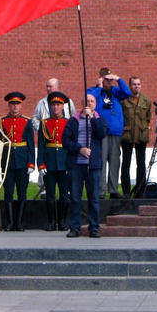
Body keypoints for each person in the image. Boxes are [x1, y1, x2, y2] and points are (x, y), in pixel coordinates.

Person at [62, 93, 108, 238]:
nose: (89, 103)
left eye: (92, 101)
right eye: (87, 101)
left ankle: (94, 227)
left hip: (93, 165)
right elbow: (65, 140)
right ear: (82, 103)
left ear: (95, 103)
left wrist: (92, 118)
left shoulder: (100, 119)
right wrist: (79, 149)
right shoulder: (73, 121)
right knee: (75, 197)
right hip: (76, 165)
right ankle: (74, 227)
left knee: (93, 197)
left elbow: (101, 133)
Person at [86, 68, 130, 198]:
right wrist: (99, 86)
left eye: (111, 80)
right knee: (102, 160)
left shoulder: (116, 91)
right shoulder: (95, 91)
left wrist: (118, 79)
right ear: (101, 79)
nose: (110, 82)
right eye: (107, 80)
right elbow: (89, 98)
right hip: (101, 131)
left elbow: (127, 93)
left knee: (115, 161)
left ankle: (113, 189)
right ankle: (100, 190)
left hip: (115, 131)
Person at [31, 78, 76, 197]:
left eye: (50, 86)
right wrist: (42, 129)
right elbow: (34, 118)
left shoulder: (68, 102)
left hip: (63, 144)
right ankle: (44, 190)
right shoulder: (42, 102)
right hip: (48, 143)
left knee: (64, 192)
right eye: (47, 86)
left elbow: (73, 118)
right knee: (48, 189)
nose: (48, 89)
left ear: (58, 87)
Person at [0, 92, 35, 231]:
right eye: (13, 104)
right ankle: (10, 223)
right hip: (7, 161)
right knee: (8, 192)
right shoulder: (1, 121)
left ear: (21, 106)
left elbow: (31, 144)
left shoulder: (27, 121)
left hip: (22, 160)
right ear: (9, 105)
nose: (15, 107)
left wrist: (31, 163)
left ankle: (19, 223)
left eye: (17, 104)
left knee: (22, 192)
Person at [37, 91, 71, 231]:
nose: (56, 107)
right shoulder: (45, 123)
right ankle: (51, 222)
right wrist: (41, 164)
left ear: (63, 106)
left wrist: (70, 163)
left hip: (64, 163)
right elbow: (41, 145)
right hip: (49, 163)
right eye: (53, 104)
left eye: (58, 104)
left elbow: (70, 144)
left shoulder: (69, 123)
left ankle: (62, 222)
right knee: (50, 195)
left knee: (64, 194)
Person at [121, 76, 151, 197]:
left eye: (138, 84)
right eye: (134, 84)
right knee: (126, 163)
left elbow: (148, 117)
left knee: (141, 163)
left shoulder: (146, 100)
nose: (136, 86)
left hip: (141, 134)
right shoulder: (124, 100)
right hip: (127, 134)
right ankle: (126, 191)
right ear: (130, 86)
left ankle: (140, 190)